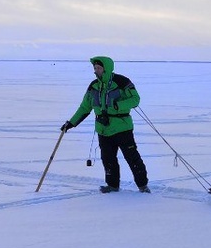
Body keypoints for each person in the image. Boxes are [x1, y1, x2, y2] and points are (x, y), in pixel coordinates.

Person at [60, 56, 149, 193]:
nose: (96, 71)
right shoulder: (93, 86)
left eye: (99, 68)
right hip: (103, 129)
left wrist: (117, 105)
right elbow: (85, 108)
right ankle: (112, 186)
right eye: (95, 68)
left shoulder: (121, 81)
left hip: (122, 128)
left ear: (106, 68)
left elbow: (135, 99)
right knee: (107, 159)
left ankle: (143, 186)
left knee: (132, 158)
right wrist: (71, 123)